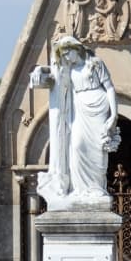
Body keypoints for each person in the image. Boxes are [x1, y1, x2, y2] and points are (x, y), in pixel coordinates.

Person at [29, 36, 119, 207]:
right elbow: (53, 73)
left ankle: (96, 190)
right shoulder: (67, 68)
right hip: (79, 106)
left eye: (67, 52)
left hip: (98, 105)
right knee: (76, 146)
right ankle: (80, 189)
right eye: (63, 54)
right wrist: (39, 71)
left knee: (98, 149)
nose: (66, 57)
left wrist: (114, 114)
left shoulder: (95, 63)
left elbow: (109, 87)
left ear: (75, 49)